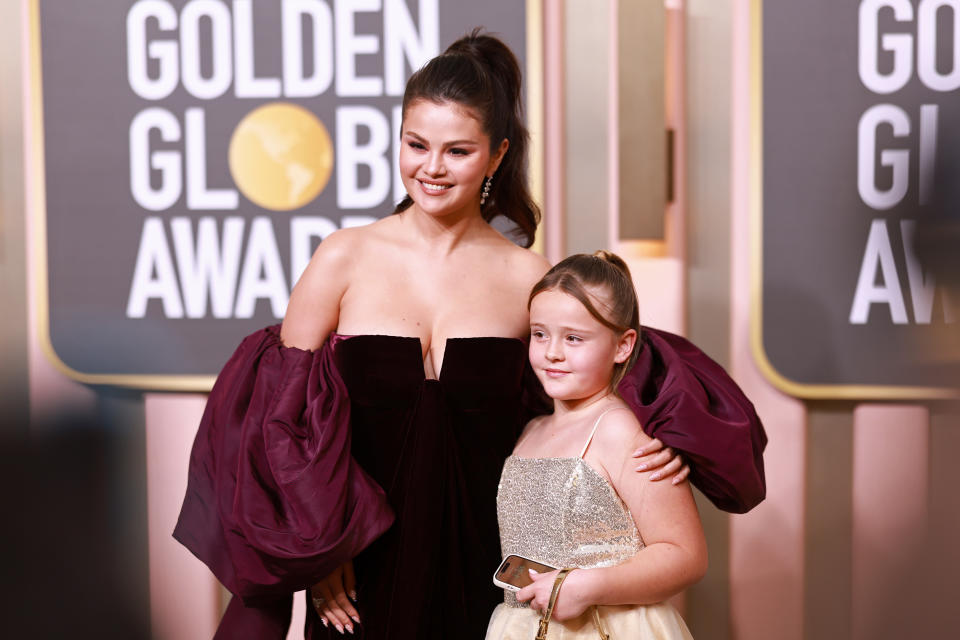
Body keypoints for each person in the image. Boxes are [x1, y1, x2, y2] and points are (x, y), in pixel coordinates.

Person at [174, 30, 765, 640]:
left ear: (497, 153)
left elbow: (596, 384)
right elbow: (282, 422)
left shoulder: (529, 277)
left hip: (489, 575)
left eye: (457, 151)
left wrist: (659, 443)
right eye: (415, 144)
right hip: (355, 572)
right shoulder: (342, 259)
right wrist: (319, 544)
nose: (431, 168)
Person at [486, 252, 704, 639]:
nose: (552, 352)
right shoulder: (530, 429)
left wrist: (587, 586)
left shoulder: (620, 430)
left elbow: (686, 556)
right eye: (540, 334)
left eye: (573, 338)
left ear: (622, 346)